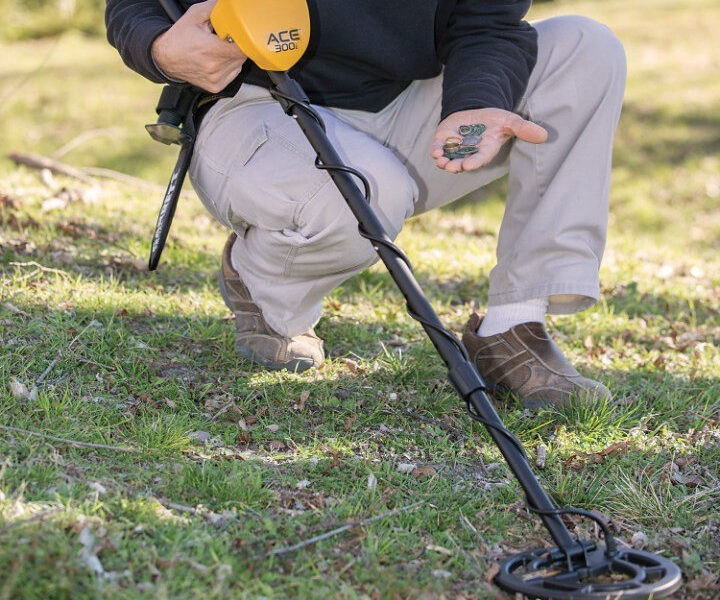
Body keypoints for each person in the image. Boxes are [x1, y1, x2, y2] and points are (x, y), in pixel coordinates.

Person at [105, 0, 626, 409]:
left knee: (586, 47)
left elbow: (488, 22)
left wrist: (477, 102)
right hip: (257, 103)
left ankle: (513, 326)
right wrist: (157, 46)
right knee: (365, 193)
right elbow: (137, 5)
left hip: (406, 103)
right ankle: (266, 289)